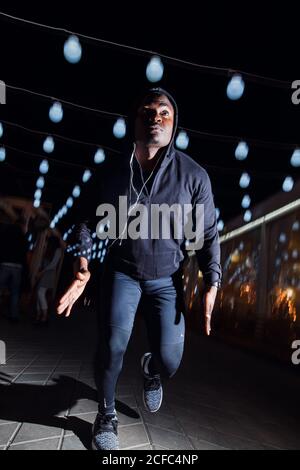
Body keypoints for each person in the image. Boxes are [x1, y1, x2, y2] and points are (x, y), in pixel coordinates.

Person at [57, 88, 222, 450]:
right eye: (147, 111)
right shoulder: (112, 172)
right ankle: (106, 413)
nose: (156, 117)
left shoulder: (194, 176)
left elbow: (208, 232)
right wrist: (82, 263)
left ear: (174, 124)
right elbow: (85, 219)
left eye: (165, 112)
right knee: (112, 345)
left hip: (167, 279)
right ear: (134, 121)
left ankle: (150, 371)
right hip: (122, 272)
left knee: (171, 360)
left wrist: (213, 278)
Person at [35, 233, 64, 324]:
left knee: (40, 292)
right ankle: (40, 314)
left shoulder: (58, 250)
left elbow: (53, 265)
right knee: (39, 292)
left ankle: (44, 315)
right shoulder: (49, 249)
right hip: (45, 272)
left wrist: (41, 272)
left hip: (49, 273)